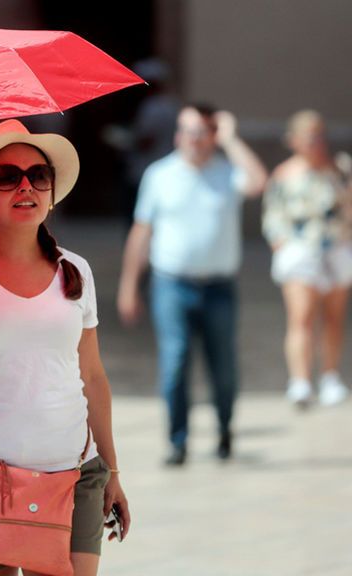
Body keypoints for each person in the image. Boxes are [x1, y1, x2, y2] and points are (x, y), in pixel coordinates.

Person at [0, 119, 130, 576]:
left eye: (38, 175)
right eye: (6, 176)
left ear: (51, 192)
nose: (25, 186)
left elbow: (92, 376)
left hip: (74, 471)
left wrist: (112, 471)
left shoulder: (77, 269)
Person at [117, 104, 268, 466]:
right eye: (188, 131)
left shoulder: (228, 171)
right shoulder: (160, 174)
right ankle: (178, 441)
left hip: (219, 287)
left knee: (223, 366)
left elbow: (259, 182)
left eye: (202, 131)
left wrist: (232, 140)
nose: (194, 139)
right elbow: (142, 231)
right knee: (175, 361)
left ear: (213, 134)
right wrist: (129, 285)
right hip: (171, 285)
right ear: (177, 135)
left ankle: (225, 432)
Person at [263, 110, 352, 408]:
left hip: (336, 248)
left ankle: (330, 376)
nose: (317, 142)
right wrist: (282, 245)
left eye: (320, 136)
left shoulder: (340, 168)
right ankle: (300, 381)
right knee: (301, 316)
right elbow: (272, 215)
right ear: (294, 140)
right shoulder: (284, 174)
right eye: (310, 137)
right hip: (300, 251)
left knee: (333, 318)